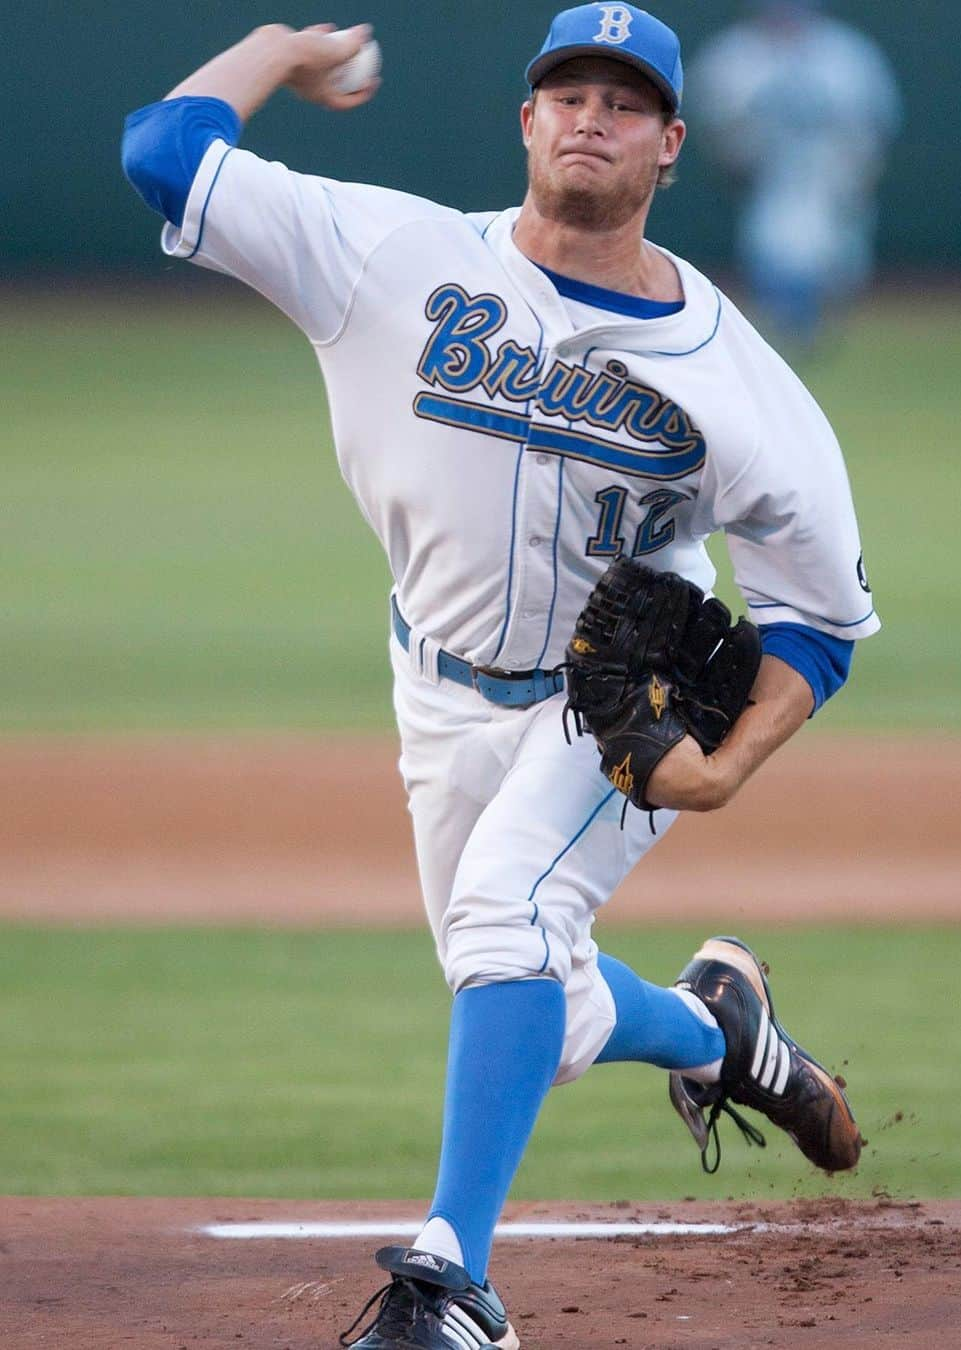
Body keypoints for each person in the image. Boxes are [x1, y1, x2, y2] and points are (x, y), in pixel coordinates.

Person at [121, 6, 879, 1346]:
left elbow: (819, 617)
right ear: (527, 122)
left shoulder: (742, 382)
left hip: (626, 706)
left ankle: (452, 1282)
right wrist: (282, 49)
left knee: (501, 923)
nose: (595, 113)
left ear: (672, 144)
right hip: (438, 688)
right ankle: (724, 1031)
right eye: (569, 91)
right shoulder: (390, 253)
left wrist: (727, 765)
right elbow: (165, 152)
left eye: (628, 100)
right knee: (542, 991)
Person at [689, 0, 901, 347]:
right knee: (773, 243)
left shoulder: (844, 54)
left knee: (836, 256)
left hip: (830, 175)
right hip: (770, 175)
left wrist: (858, 171)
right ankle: (790, 323)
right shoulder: (738, 54)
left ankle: (811, 322)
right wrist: (736, 160)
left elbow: (874, 125)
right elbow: (717, 122)